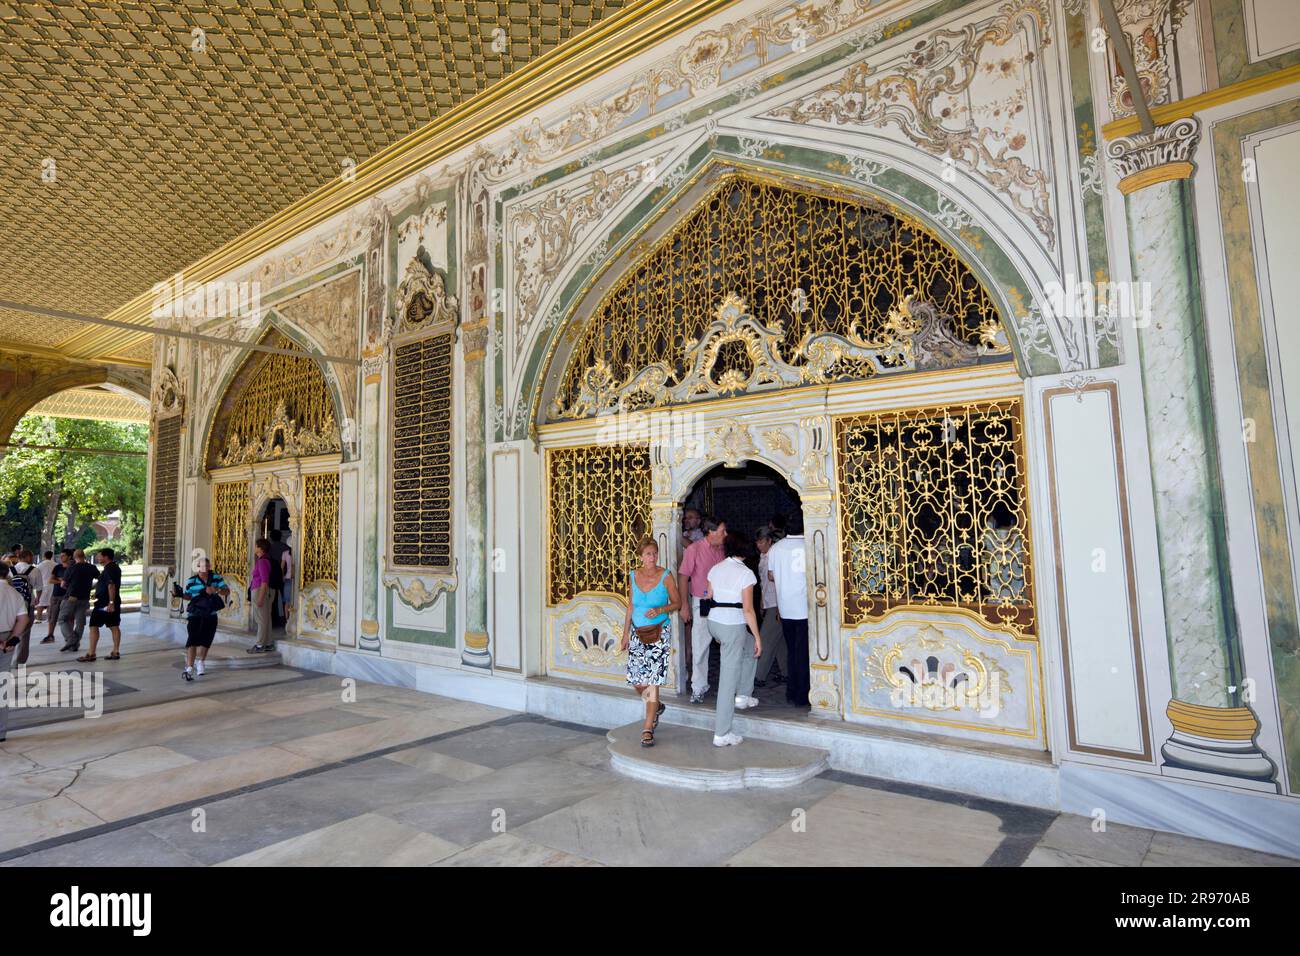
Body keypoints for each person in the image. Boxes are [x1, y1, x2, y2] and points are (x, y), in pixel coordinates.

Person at [620, 536, 680, 747]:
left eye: (654, 553)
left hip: (659, 632)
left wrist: (661, 609)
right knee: (638, 681)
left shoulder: (666, 576)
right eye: (648, 554)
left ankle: (647, 727)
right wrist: (625, 633)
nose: (652, 557)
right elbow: (630, 606)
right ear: (640, 556)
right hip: (637, 633)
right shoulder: (633, 575)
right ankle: (657, 706)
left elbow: (677, 602)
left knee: (653, 680)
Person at [705, 533, 763, 747]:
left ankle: (744, 696)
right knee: (728, 681)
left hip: (714, 623)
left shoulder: (716, 568)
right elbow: (748, 610)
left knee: (748, 648)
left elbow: (709, 595)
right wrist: (758, 637)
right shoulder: (746, 574)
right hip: (732, 625)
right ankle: (722, 733)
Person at [678, 516, 726, 704]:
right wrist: (684, 605)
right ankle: (698, 687)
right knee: (700, 645)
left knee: (728, 643)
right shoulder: (694, 549)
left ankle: (730, 686)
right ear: (711, 532)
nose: (725, 534)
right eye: (722, 531)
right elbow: (683, 577)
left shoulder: (723, 549)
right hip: (702, 600)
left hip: (723, 601)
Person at [767, 511, 809, 707]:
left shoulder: (776, 547)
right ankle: (804, 694)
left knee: (792, 651)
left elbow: (771, 576)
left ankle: (792, 692)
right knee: (805, 653)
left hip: (786, 607)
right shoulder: (810, 544)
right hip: (806, 608)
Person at [182, 558, 230, 681]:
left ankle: (201, 662)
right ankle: (189, 668)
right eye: (202, 566)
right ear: (198, 567)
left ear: (209, 566)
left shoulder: (216, 578)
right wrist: (179, 594)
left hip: (210, 613)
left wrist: (216, 590)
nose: (204, 568)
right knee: (192, 640)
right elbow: (188, 596)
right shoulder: (192, 580)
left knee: (206, 640)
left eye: (206, 566)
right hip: (195, 614)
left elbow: (226, 591)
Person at [0, 562, 32, 743]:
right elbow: (23, 618)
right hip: (8, 638)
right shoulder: (15, 594)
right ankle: (1, 732)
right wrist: (12, 639)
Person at [754, 526, 787, 688]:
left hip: (778, 603)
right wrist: (762, 601)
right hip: (770, 602)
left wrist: (781, 606)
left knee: (765, 639)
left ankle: (758, 676)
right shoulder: (763, 556)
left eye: (761, 542)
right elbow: (764, 582)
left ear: (769, 541)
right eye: (757, 542)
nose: (759, 545)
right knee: (779, 641)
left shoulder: (776, 555)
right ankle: (787, 673)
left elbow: (781, 582)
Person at [80, 548, 122, 663]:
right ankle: (115, 651)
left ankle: (91, 653)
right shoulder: (114, 567)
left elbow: (111, 586)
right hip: (111, 601)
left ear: (106, 557)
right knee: (114, 626)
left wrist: (111, 603)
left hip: (105, 603)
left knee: (93, 625)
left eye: (99, 556)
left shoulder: (109, 569)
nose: (98, 558)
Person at [58, 549, 98, 653]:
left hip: (71, 598)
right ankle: (75, 645)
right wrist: (90, 587)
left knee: (63, 619)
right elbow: (101, 579)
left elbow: (63, 584)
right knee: (80, 622)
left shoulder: (71, 568)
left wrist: (70, 588)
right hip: (84, 598)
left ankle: (71, 639)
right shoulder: (92, 568)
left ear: (74, 557)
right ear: (84, 556)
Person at [247, 538, 274, 653]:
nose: (255, 547)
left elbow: (264, 581)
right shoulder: (263, 560)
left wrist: (261, 597)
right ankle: (267, 643)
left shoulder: (262, 561)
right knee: (265, 618)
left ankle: (260, 645)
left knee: (261, 619)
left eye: (256, 545)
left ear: (261, 548)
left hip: (259, 590)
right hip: (259, 590)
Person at [44, 550, 71, 644]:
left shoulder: (72, 568)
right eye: (61, 556)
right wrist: (61, 581)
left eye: (63, 556)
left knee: (68, 617)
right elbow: (51, 580)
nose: (61, 557)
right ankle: (50, 635)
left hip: (67, 596)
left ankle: (69, 637)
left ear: (69, 556)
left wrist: (60, 579)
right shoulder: (57, 567)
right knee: (52, 616)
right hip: (56, 595)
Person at [267, 529, 287, 628]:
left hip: (273, 576)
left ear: (271, 538)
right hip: (283, 576)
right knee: (285, 598)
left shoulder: (269, 548)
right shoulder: (285, 547)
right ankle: (286, 618)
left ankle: (273, 618)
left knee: (272, 598)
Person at [34, 550, 55, 624]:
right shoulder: (55, 564)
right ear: (51, 556)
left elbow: (36, 574)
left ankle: (38, 618)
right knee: (50, 602)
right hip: (52, 585)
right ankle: (49, 618)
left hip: (43, 584)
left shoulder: (40, 565)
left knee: (41, 602)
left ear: (44, 556)